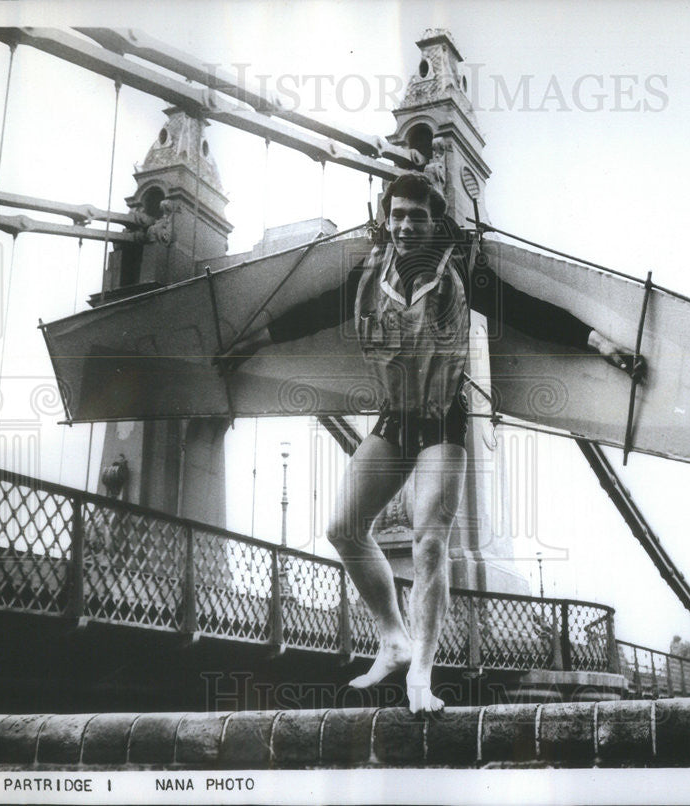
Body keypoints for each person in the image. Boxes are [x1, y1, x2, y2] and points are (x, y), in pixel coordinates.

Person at [218, 173, 643, 712]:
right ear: (386, 217)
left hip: (444, 419)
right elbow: (316, 311)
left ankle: (422, 670)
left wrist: (600, 342)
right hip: (395, 417)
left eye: (415, 218)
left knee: (428, 542)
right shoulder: (372, 271)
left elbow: (526, 309)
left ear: (434, 221)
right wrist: (250, 343)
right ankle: (392, 639)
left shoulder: (460, 269)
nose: (403, 227)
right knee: (343, 528)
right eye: (395, 216)